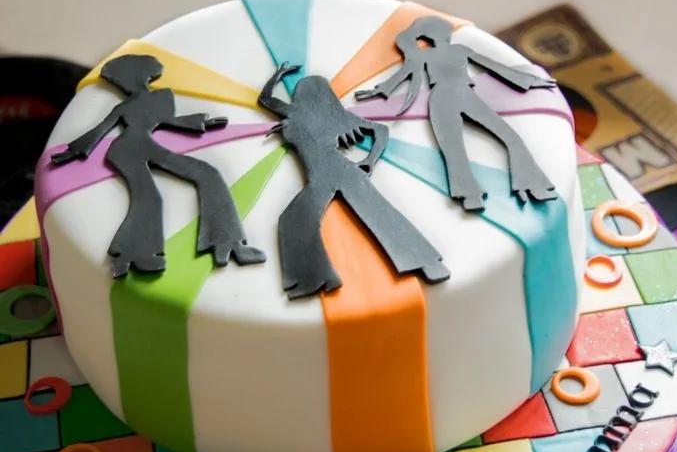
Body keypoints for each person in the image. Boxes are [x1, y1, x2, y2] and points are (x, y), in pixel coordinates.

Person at [51, 54, 265, 276]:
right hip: (125, 152)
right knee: (149, 197)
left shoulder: (162, 96)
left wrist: (202, 123)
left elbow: (170, 121)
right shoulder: (125, 106)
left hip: (145, 146)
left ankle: (227, 244)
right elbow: (101, 129)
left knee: (208, 173)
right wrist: (75, 150)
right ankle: (133, 256)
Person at [259, 63, 450, 299]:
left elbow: (379, 130)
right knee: (302, 218)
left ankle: (427, 263)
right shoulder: (312, 115)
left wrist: (370, 161)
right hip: (326, 175)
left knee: (375, 214)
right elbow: (266, 100)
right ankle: (314, 279)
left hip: (334, 172)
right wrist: (369, 159)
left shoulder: (310, 115)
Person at [356, 16, 558, 211]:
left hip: (450, 96)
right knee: (474, 145)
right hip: (455, 95)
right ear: (441, 34)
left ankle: (501, 190)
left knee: (461, 149)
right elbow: (402, 76)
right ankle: (491, 193)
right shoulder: (436, 54)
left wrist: (529, 81)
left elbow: (493, 66)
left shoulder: (440, 53)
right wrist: (378, 91)